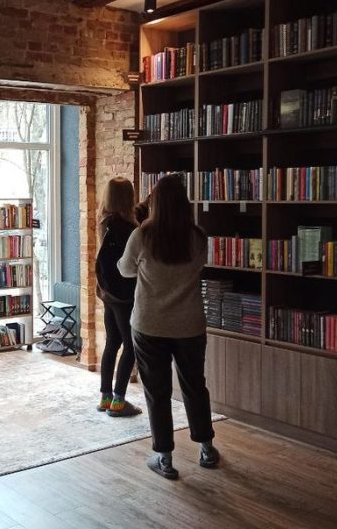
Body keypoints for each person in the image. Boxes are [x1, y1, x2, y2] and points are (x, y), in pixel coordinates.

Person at [118, 173, 218, 479]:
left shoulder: (142, 236)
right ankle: (206, 448)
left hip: (149, 325)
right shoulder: (198, 236)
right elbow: (198, 267)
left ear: (156, 203)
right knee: (194, 386)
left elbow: (125, 270)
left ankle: (164, 457)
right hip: (189, 325)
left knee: (157, 391)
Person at [94, 177, 141, 417]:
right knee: (131, 346)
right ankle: (119, 401)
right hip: (125, 296)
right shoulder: (130, 230)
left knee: (112, 342)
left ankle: (105, 396)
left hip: (108, 294)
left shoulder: (104, 223)